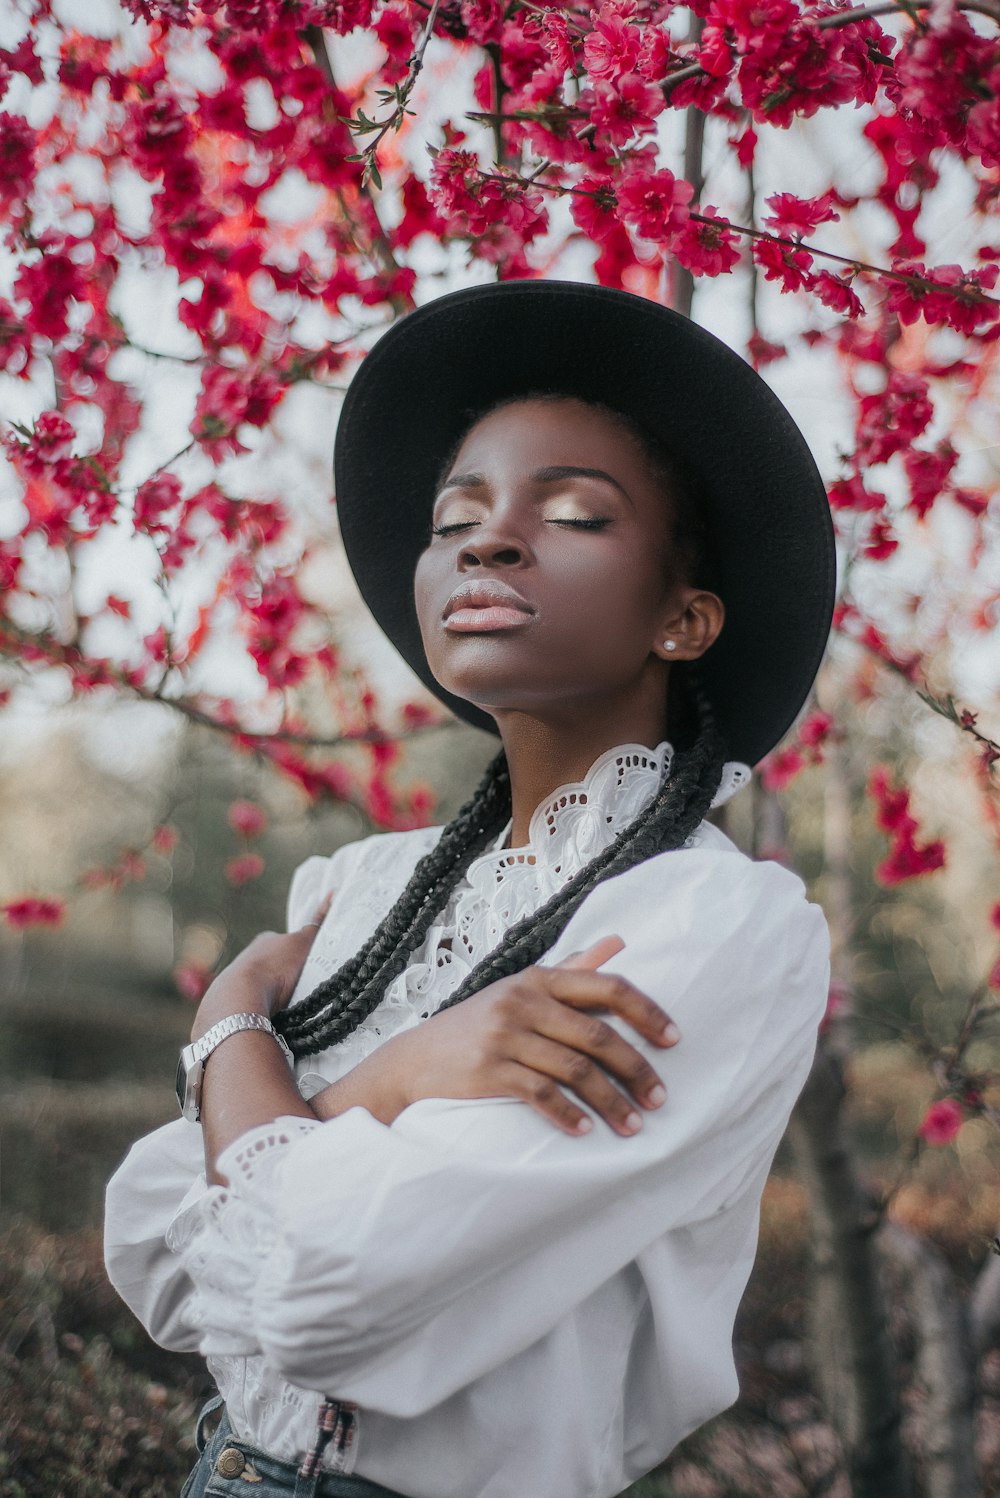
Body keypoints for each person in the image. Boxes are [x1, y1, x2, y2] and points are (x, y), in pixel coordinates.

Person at [104, 279, 835, 1498]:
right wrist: (349, 1055)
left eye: (574, 514)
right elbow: (152, 1250)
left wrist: (241, 1056)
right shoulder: (356, 885)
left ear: (685, 618)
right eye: (456, 519)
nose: (485, 542)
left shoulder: (714, 925)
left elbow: (325, 1296)